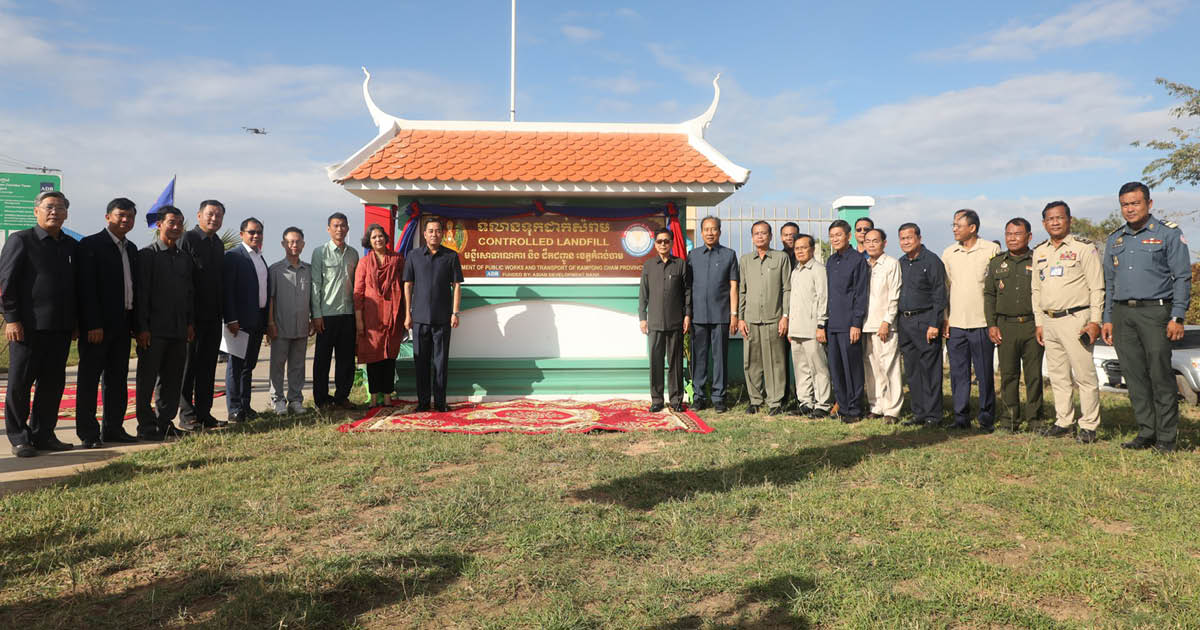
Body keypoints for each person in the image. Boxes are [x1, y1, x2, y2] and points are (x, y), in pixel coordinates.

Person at [1103, 182, 1191, 453]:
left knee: (1160, 375)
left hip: (1156, 312)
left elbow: (1182, 277)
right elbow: (1110, 283)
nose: (1130, 209)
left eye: (1135, 203)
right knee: (1134, 376)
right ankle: (1146, 432)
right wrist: (1108, 318)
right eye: (1125, 204)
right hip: (1122, 314)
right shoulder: (1115, 239)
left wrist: (1177, 315)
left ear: (1149, 204)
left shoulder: (1168, 233)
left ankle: (1166, 438)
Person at [0, 191, 78, 457]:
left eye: (60, 207)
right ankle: (20, 438)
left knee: (52, 385)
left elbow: (76, 287)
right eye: (49, 207)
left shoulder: (70, 245)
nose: (54, 212)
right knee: (20, 384)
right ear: (36, 211)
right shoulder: (21, 240)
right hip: (27, 327)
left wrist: (76, 321)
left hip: (60, 328)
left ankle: (44, 434)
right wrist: (12, 319)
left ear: (66, 213)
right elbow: (6, 283)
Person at [1030, 203, 1105, 443]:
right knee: (1058, 375)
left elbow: (1097, 287)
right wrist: (1039, 322)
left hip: (1076, 319)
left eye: (1059, 218)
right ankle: (1064, 421)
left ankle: (1089, 425)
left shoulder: (1083, 248)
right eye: (1050, 219)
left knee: (1084, 375)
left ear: (1069, 220)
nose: (1055, 222)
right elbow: (1036, 289)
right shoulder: (1040, 251)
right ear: (1044, 223)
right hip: (1049, 320)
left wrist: (1095, 321)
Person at [75, 198, 140, 447]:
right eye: (120, 215)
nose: (125, 220)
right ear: (107, 217)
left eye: (130, 216)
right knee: (89, 380)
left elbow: (134, 288)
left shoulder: (131, 248)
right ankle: (88, 433)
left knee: (117, 379)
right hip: (97, 326)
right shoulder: (90, 245)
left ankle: (113, 428)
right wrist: (92, 323)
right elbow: (86, 288)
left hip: (123, 323)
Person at [133, 206, 194, 441]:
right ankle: (146, 426)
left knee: (172, 379)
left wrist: (189, 323)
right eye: (171, 222)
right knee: (147, 379)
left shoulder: (184, 257)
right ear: (159, 225)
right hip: (153, 330)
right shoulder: (147, 255)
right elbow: (141, 295)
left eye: (180, 223)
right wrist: (142, 328)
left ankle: (165, 422)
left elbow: (189, 293)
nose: (176, 227)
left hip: (178, 329)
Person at [984, 217, 1045, 432]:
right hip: (1005, 326)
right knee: (1008, 375)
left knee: (1034, 375)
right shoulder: (996, 263)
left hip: (1031, 325)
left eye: (1017, 234)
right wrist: (991, 324)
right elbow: (989, 295)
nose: (1012, 238)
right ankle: (1009, 420)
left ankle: (1035, 419)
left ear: (1029, 236)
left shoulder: (1038, 260)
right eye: (1009, 234)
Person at [942, 209, 1001, 431]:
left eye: (958, 225)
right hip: (956, 324)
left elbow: (996, 287)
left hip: (982, 324)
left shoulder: (991, 249)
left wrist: (994, 321)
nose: (954, 229)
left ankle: (986, 418)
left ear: (973, 228)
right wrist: (945, 318)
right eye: (953, 225)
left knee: (984, 373)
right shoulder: (949, 253)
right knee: (958, 374)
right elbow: (945, 288)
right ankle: (961, 417)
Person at [403, 218, 464, 412]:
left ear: (442, 234)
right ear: (424, 234)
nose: (434, 234)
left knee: (441, 362)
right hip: (419, 318)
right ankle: (422, 403)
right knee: (421, 362)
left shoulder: (451, 256)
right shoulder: (413, 256)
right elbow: (408, 285)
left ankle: (439, 403)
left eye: (437, 231)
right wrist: (407, 314)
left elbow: (456, 286)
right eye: (430, 231)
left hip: (443, 318)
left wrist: (455, 312)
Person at [179, 200, 227, 431]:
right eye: (210, 214)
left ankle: (204, 412)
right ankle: (187, 415)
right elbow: (183, 280)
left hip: (213, 316)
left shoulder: (218, 244)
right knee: (188, 367)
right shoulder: (188, 239)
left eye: (218, 215)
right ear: (199, 215)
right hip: (193, 316)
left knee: (208, 367)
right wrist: (187, 318)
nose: (214, 219)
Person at [897, 223, 948, 427]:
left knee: (930, 370)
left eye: (909, 238)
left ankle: (933, 415)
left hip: (925, 320)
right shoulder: (901, 262)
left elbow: (939, 294)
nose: (906, 242)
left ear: (919, 238)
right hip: (905, 322)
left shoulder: (932, 261)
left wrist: (935, 323)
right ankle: (918, 413)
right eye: (902, 238)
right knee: (912, 370)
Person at [738, 221, 791, 415]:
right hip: (751, 319)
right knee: (751, 361)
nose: (760, 236)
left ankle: (775, 401)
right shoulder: (745, 260)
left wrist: (785, 316)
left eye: (763, 233)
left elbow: (787, 289)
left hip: (774, 318)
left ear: (770, 236)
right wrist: (740, 318)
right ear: (752, 237)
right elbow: (742, 291)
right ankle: (755, 399)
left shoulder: (781, 258)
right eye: (756, 233)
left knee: (775, 361)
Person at [686, 216, 738, 413]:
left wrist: (734, 314)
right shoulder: (693, 255)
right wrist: (687, 313)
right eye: (706, 229)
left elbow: (733, 287)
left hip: (721, 316)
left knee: (720, 359)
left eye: (714, 229)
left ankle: (719, 398)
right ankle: (698, 396)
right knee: (699, 358)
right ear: (701, 233)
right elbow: (688, 287)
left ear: (720, 232)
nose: (710, 233)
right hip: (698, 316)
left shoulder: (729, 255)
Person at [820, 219, 870, 421]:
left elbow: (860, 294)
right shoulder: (831, 261)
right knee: (836, 369)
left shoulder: (858, 261)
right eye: (831, 236)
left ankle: (855, 409)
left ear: (848, 236)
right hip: (833, 324)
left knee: (852, 369)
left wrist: (856, 323)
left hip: (849, 324)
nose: (835, 239)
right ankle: (842, 407)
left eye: (838, 235)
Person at [639, 227, 692, 412]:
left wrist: (687, 315)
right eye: (659, 241)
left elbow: (687, 292)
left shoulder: (680, 265)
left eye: (666, 241)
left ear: (671, 243)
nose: (663, 244)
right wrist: (642, 318)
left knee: (675, 363)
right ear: (655, 244)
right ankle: (657, 400)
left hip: (675, 322)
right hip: (654, 323)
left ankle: (676, 400)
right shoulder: (648, 266)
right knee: (656, 363)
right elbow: (643, 294)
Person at [311, 212, 359, 410]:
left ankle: (342, 397)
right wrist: (316, 315)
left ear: (348, 228)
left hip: (348, 314)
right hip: (327, 315)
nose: (340, 229)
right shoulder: (320, 252)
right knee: (322, 359)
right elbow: (316, 285)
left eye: (343, 225)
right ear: (328, 229)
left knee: (346, 359)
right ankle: (321, 399)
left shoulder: (353, 254)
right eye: (336, 225)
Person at [355, 224, 407, 408]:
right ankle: (373, 397)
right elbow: (358, 292)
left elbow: (406, 286)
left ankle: (387, 397)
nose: (378, 239)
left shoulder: (397, 259)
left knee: (389, 358)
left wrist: (406, 314)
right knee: (373, 358)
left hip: (393, 314)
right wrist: (359, 320)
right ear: (369, 241)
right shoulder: (364, 263)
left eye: (380, 236)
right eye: (374, 237)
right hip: (371, 317)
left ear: (386, 238)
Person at [223, 217, 269, 423]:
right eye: (251, 232)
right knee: (235, 366)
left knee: (248, 365)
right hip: (239, 322)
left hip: (257, 319)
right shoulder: (234, 256)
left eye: (259, 232)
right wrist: (231, 318)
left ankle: (245, 405)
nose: (256, 235)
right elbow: (227, 290)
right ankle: (234, 408)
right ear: (242, 234)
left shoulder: (259, 257)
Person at [266, 227, 313, 415]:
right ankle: (277, 400)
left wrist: (312, 319)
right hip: (280, 326)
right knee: (277, 365)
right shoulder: (275, 270)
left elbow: (312, 298)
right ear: (283, 244)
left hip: (301, 326)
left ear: (303, 244)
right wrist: (270, 324)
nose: (294, 245)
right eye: (290, 242)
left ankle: (295, 400)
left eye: (297, 241)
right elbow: (270, 299)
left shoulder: (308, 270)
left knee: (298, 366)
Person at [787, 234, 833, 417]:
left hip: (812, 328)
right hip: (796, 328)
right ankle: (805, 402)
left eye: (803, 247)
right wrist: (791, 327)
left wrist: (821, 325)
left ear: (812, 249)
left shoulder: (818, 270)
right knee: (801, 368)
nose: (800, 251)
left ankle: (823, 404)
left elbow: (823, 298)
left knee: (818, 368)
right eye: (797, 248)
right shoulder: (795, 271)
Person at [861, 228, 902, 423]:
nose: (871, 244)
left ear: (884, 243)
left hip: (884, 325)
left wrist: (887, 321)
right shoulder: (864, 265)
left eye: (875, 241)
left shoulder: (891, 264)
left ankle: (892, 410)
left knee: (889, 367)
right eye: (867, 241)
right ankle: (876, 406)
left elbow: (894, 295)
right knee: (872, 368)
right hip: (866, 324)